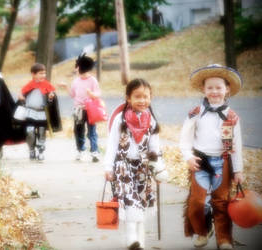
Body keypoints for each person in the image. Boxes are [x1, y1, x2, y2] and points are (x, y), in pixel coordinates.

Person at [180, 64, 244, 250]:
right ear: (203, 89)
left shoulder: (232, 117)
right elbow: (184, 139)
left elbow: (236, 146)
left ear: (227, 89)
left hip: (222, 162)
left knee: (221, 202)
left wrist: (238, 169)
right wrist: (188, 157)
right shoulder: (195, 113)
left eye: (219, 87)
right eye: (210, 87)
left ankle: (224, 239)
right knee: (197, 201)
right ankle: (201, 231)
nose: (214, 91)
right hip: (200, 161)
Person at [104, 79, 168, 250]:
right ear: (128, 98)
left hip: (143, 167)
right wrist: (108, 167)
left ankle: (139, 237)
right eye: (137, 96)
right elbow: (112, 144)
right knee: (129, 201)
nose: (142, 100)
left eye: (146, 97)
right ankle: (131, 238)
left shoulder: (151, 120)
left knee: (141, 201)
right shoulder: (121, 119)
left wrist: (158, 170)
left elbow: (155, 148)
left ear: (151, 97)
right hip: (123, 167)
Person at [59, 53, 101, 162]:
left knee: (92, 131)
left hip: (90, 110)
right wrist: (66, 87)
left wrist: (92, 94)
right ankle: (80, 150)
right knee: (78, 131)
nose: (75, 68)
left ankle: (94, 152)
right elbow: (73, 95)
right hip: (78, 110)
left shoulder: (93, 80)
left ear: (80, 67)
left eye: (76, 66)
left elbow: (98, 94)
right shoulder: (76, 81)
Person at [18, 63, 57, 162]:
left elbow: (52, 94)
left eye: (44, 73)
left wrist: (51, 96)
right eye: (40, 73)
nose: (43, 75)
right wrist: (21, 96)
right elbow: (22, 92)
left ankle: (41, 152)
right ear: (33, 74)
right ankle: (31, 150)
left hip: (42, 113)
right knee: (30, 131)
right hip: (30, 112)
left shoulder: (46, 84)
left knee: (41, 132)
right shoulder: (30, 84)